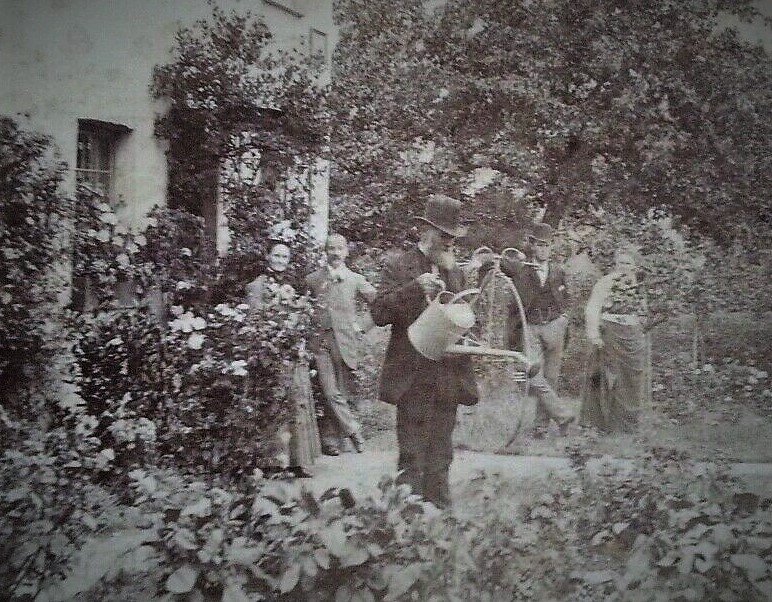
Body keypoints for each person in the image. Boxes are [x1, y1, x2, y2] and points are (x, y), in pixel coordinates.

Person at [370, 194, 479, 508]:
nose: (449, 244)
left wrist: (472, 331)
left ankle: (441, 524)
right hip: (413, 376)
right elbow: (378, 313)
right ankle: (407, 524)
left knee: (442, 454)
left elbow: (466, 316)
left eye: (452, 238)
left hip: (448, 376)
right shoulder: (399, 265)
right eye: (444, 236)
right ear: (426, 232)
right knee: (413, 454)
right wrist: (415, 288)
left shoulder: (454, 271)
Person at [246, 243, 321, 477]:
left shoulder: (294, 285)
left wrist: (298, 334)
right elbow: (255, 320)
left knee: (297, 402)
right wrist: (274, 337)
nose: (280, 259)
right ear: (267, 256)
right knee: (274, 402)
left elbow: (300, 314)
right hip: (271, 351)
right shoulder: (257, 285)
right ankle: (273, 462)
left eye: (285, 256)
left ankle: (298, 461)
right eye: (276, 255)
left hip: (291, 351)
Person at [498, 222, 574, 436]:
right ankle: (562, 414)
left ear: (552, 247)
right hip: (530, 327)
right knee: (532, 374)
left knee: (551, 378)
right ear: (532, 246)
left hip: (554, 326)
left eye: (547, 245)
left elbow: (566, 298)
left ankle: (541, 427)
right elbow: (503, 268)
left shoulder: (558, 271)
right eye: (539, 245)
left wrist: (564, 319)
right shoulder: (521, 270)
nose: (543, 249)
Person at [306, 233, 375, 456]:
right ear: (325, 252)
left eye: (339, 249)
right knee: (329, 391)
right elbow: (303, 309)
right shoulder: (313, 279)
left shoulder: (355, 279)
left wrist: (361, 326)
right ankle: (354, 431)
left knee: (340, 393)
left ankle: (332, 441)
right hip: (320, 343)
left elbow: (380, 304)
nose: (335, 253)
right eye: (331, 249)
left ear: (346, 252)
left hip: (345, 341)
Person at [580, 247, 651, 432]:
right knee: (600, 376)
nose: (623, 267)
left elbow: (643, 313)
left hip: (631, 335)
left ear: (635, 266)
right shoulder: (605, 282)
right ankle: (594, 424)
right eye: (620, 263)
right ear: (615, 264)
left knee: (630, 379)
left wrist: (638, 329)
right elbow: (592, 308)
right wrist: (594, 334)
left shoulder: (638, 286)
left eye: (628, 263)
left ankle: (624, 426)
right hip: (609, 333)